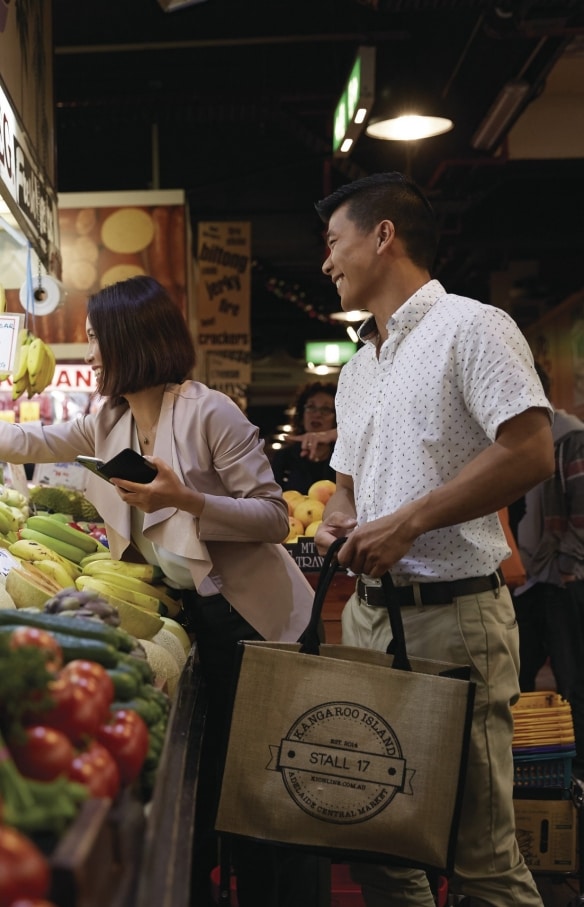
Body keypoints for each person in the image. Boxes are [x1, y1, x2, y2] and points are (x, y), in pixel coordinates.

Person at [0, 275, 320, 907]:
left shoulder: (209, 412)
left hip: (260, 621)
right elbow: (35, 441)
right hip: (200, 612)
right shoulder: (110, 420)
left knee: (266, 789)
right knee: (225, 781)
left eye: (94, 337)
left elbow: (274, 518)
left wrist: (187, 499)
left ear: (129, 338)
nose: (88, 351)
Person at [312, 172, 554, 907]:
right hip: (368, 620)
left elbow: (530, 449)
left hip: (455, 618)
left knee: (478, 855)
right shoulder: (357, 370)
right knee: (378, 841)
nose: (327, 263)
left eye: (333, 242)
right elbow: (348, 488)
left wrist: (409, 520)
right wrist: (338, 517)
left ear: (383, 235)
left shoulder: (472, 328)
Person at [512, 362, 584, 780]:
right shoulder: (515, 438)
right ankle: (539, 771)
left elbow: (580, 509)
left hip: (561, 577)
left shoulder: (569, 436)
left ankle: (574, 776)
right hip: (529, 578)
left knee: (571, 680)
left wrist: (568, 567)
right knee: (521, 680)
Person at [271, 381, 337, 493]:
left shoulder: (344, 457)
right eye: (311, 407)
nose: (317, 414)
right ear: (301, 416)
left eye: (325, 409)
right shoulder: (284, 457)